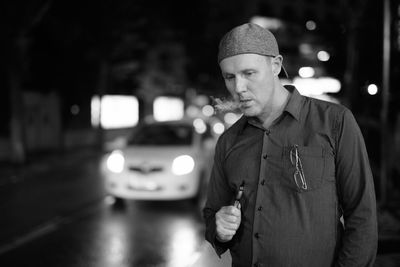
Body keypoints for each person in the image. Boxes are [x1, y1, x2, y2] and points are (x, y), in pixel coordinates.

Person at [203, 23, 378, 267]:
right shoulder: (229, 140)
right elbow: (212, 214)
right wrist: (219, 229)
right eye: (229, 77)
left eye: (249, 73)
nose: (239, 88)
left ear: (275, 65)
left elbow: (362, 218)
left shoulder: (334, 122)